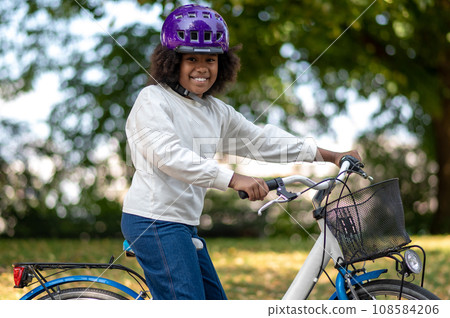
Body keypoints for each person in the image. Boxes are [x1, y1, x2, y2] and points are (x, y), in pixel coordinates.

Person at [121, 4, 361, 300]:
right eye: (191, 59)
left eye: (210, 59)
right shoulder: (153, 100)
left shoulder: (214, 111)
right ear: (171, 62)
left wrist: (331, 155)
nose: (202, 67)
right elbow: (169, 157)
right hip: (153, 221)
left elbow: (261, 141)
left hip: (183, 225)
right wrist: (234, 179)